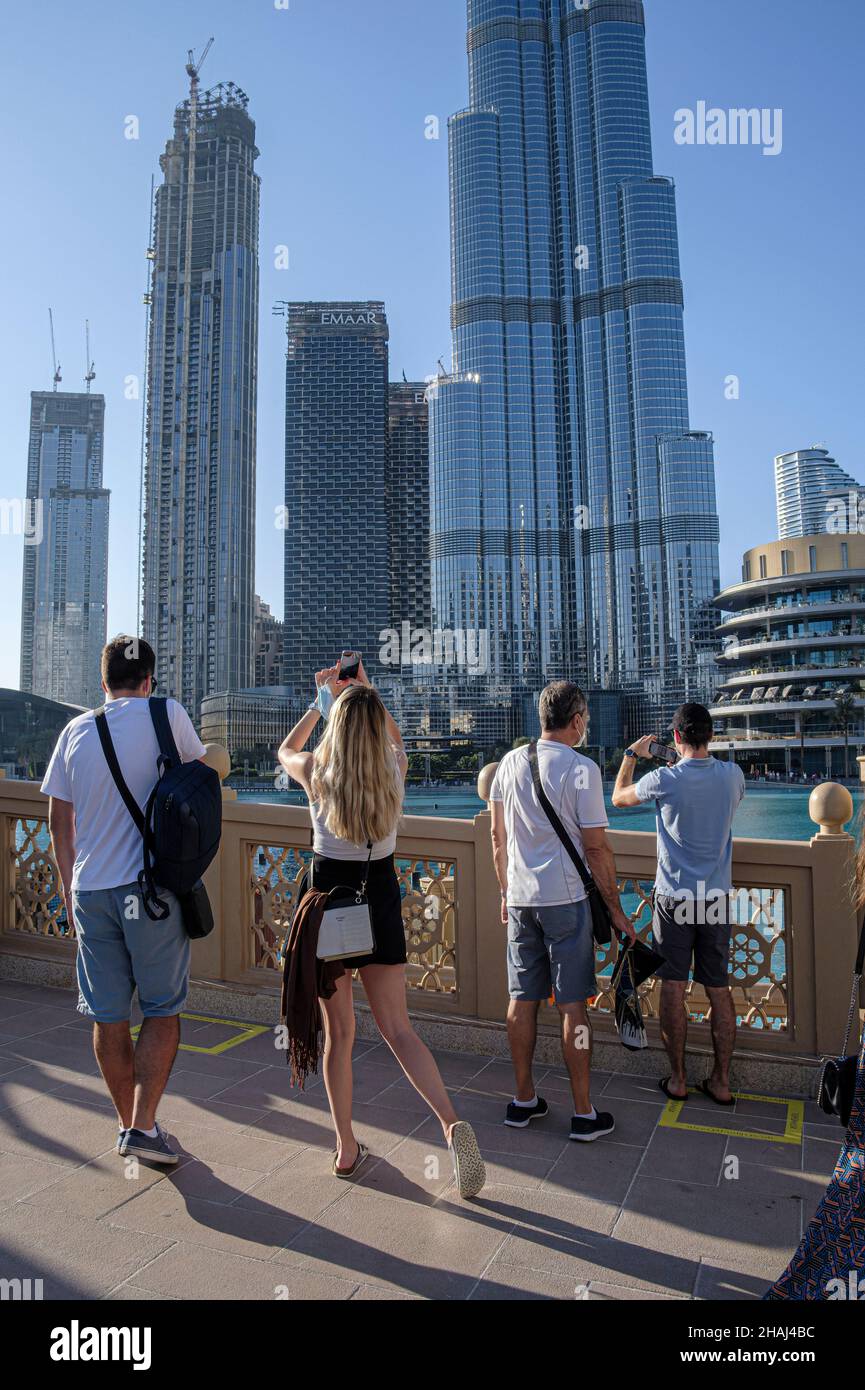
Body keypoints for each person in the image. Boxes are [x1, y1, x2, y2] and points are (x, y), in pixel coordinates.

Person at [277, 661, 485, 1198]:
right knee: (399, 1030)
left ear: (337, 729)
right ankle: (450, 1124)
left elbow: (285, 749)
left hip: (331, 912)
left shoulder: (317, 777)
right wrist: (366, 689)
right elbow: (392, 735)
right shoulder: (395, 770)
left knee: (341, 1035)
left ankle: (346, 1148)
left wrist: (322, 698)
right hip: (382, 904)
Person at [41, 636, 208, 1164]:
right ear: (149, 680)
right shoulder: (169, 714)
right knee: (161, 1009)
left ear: (104, 682)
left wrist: (69, 889)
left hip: (90, 893)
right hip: (150, 893)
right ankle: (142, 1127)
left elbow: (57, 821)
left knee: (108, 1016)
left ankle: (132, 1127)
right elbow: (200, 784)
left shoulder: (74, 731)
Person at [489, 681, 635, 1142]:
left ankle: (523, 1100)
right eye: (585, 719)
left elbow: (498, 839)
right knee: (572, 1006)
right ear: (576, 720)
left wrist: (504, 893)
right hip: (566, 902)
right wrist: (615, 910)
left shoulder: (509, 763)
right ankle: (583, 1112)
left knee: (521, 999)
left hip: (520, 901)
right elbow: (596, 847)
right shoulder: (583, 769)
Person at [612, 703, 745, 1106]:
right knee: (719, 988)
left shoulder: (664, 779)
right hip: (717, 898)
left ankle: (679, 1079)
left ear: (675, 739)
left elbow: (618, 798)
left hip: (674, 899)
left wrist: (632, 756)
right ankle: (721, 1081)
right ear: (711, 736)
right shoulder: (733, 776)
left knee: (674, 987)